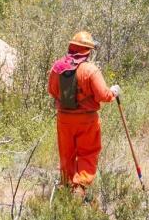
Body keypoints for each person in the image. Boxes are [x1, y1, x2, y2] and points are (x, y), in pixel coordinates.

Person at [48, 31, 121, 199]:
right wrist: (114, 92)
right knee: (88, 153)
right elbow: (104, 95)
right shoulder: (90, 70)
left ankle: (66, 185)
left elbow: (52, 91)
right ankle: (79, 188)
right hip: (87, 120)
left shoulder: (57, 67)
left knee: (66, 153)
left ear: (71, 46)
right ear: (88, 50)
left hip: (64, 119)